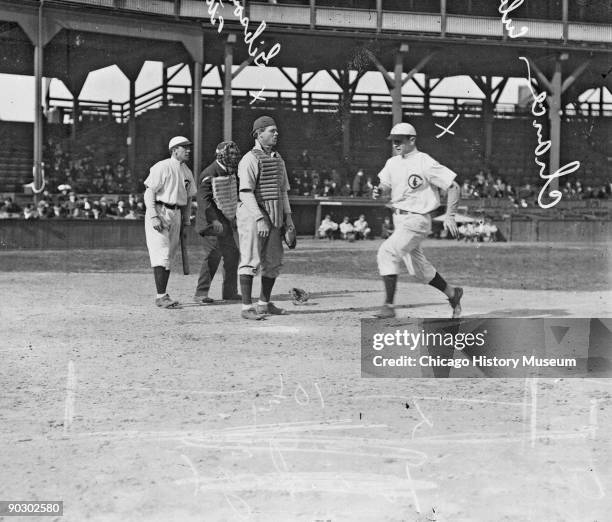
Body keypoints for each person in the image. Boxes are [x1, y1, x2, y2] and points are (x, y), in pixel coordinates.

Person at [373, 122, 463, 319]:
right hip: (399, 220)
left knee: (387, 252)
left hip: (417, 219)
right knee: (419, 271)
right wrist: (379, 189)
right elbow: (385, 184)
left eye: (399, 141)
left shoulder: (425, 162)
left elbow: (453, 186)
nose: (395, 144)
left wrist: (450, 215)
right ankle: (452, 293)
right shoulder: (392, 163)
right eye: (393, 141)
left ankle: (388, 306)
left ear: (412, 140)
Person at [236, 115, 295, 320]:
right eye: (271, 130)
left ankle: (263, 304)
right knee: (251, 259)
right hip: (254, 213)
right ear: (259, 134)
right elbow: (245, 192)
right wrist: (259, 218)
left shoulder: (278, 159)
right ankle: (246, 307)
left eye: (276, 130)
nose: (276, 133)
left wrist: (289, 220)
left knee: (273, 260)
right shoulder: (250, 158)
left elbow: (283, 191)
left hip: (275, 212)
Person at [143, 136, 196, 308]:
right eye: (184, 147)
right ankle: (161, 296)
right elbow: (149, 192)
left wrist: (186, 222)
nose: (188, 150)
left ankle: (163, 295)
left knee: (169, 256)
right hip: (160, 210)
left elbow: (188, 199)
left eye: (189, 147)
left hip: (177, 213)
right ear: (174, 150)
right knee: (162, 253)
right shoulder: (162, 166)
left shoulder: (187, 172)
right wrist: (152, 215)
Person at [194, 141, 242, 304]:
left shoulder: (230, 171)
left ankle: (229, 292)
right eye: (231, 154)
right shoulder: (209, 172)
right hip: (210, 224)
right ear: (220, 155)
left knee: (233, 254)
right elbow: (204, 201)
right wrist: (214, 220)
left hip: (225, 222)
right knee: (213, 254)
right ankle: (200, 294)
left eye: (235, 154)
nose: (234, 157)